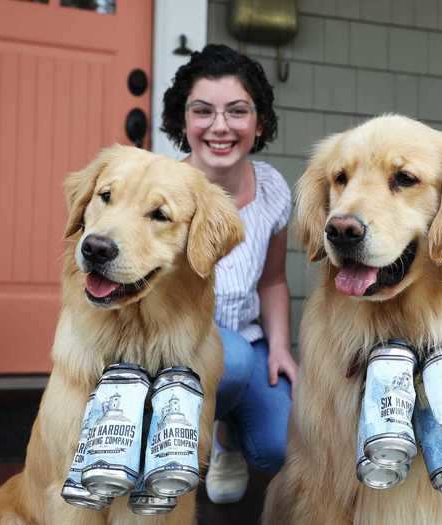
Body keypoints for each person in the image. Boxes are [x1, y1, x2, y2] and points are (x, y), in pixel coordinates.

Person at [161, 44, 298, 504]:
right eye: (203, 112)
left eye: (237, 112)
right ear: (183, 122)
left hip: (249, 340)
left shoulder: (273, 188)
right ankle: (174, 444)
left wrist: (280, 347)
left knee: (283, 446)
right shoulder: (159, 189)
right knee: (231, 360)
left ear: (258, 123)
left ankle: (227, 439)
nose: (220, 126)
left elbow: (273, 281)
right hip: (175, 347)